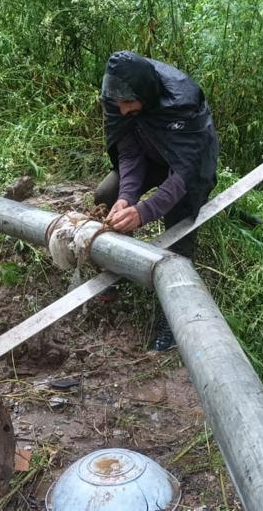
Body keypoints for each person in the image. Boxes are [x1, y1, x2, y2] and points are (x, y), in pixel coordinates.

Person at [95, 50, 219, 351]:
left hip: (187, 164)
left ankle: (175, 316)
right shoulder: (116, 99)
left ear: (145, 95)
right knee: (106, 194)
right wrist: (127, 199)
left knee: (180, 221)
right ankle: (118, 268)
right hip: (152, 155)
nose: (122, 110)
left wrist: (145, 211)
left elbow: (184, 173)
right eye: (118, 105)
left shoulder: (182, 101)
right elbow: (129, 152)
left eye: (128, 103)